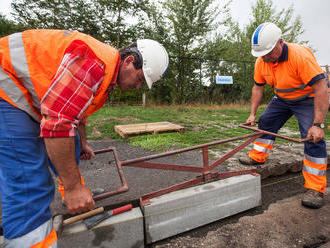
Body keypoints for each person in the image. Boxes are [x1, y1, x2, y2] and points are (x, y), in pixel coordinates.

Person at [0, 29, 169, 247]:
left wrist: (83, 142)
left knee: (72, 144)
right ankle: (33, 239)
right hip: (6, 87)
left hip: (22, 93)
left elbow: (75, 113)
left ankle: (72, 195)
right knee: (29, 181)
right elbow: (57, 123)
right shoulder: (94, 62)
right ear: (129, 61)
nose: (138, 87)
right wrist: (73, 188)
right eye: (139, 79)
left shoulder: (105, 72)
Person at [239, 22, 328, 209]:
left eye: (269, 53)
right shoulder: (261, 60)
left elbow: (321, 88)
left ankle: (315, 188)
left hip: (308, 99)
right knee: (266, 122)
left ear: (280, 42)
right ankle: (258, 156)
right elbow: (258, 87)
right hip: (282, 99)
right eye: (262, 55)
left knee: (312, 138)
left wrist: (317, 125)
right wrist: (252, 114)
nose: (266, 58)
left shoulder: (300, 56)